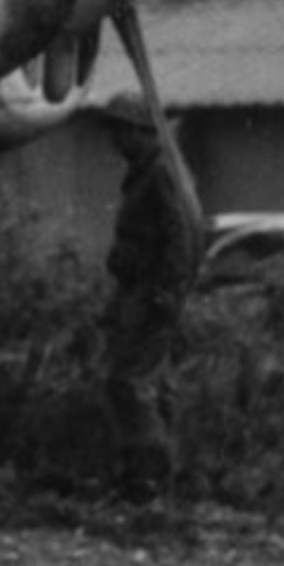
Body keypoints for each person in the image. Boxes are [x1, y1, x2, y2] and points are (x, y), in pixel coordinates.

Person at [99, 90, 201, 500]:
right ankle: (158, 476)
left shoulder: (160, 171)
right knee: (150, 383)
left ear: (139, 132)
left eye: (121, 132)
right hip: (138, 289)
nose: (115, 142)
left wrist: (168, 290)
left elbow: (179, 233)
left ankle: (149, 476)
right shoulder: (151, 168)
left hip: (149, 292)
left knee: (128, 382)